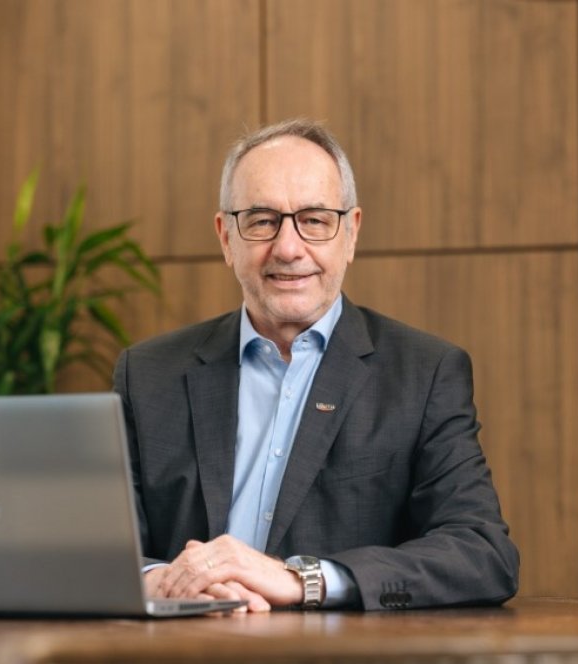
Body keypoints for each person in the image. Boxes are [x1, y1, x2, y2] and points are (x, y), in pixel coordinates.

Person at [113, 119, 519, 611]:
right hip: (185, 644)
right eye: (261, 220)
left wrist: (302, 579)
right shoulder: (147, 374)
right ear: (226, 237)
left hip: (331, 647)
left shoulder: (424, 374)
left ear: (351, 233)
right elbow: (102, 550)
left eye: (315, 220)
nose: (288, 248)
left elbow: (481, 553)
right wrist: (160, 580)